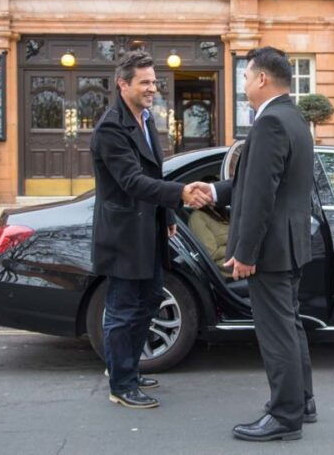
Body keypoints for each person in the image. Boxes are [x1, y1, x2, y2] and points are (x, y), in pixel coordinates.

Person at [195, 47, 316, 441]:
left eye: (246, 77)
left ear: (262, 78)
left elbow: (262, 194)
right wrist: (213, 190)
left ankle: (285, 416)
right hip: (290, 243)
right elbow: (255, 184)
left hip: (270, 249)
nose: (244, 85)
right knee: (290, 324)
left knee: (276, 331)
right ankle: (302, 402)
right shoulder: (293, 118)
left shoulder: (270, 124)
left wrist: (245, 253)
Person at [90, 49, 210, 410]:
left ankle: (128, 368)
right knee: (123, 310)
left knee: (150, 299)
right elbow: (132, 181)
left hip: (150, 229)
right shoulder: (112, 126)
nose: (152, 89)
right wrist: (181, 194)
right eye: (145, 83)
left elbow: (153, 175)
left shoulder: (144, 119)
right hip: (125, 235)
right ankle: (121, 383)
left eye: (154, 82)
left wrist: (168, 216)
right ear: (122, 84)